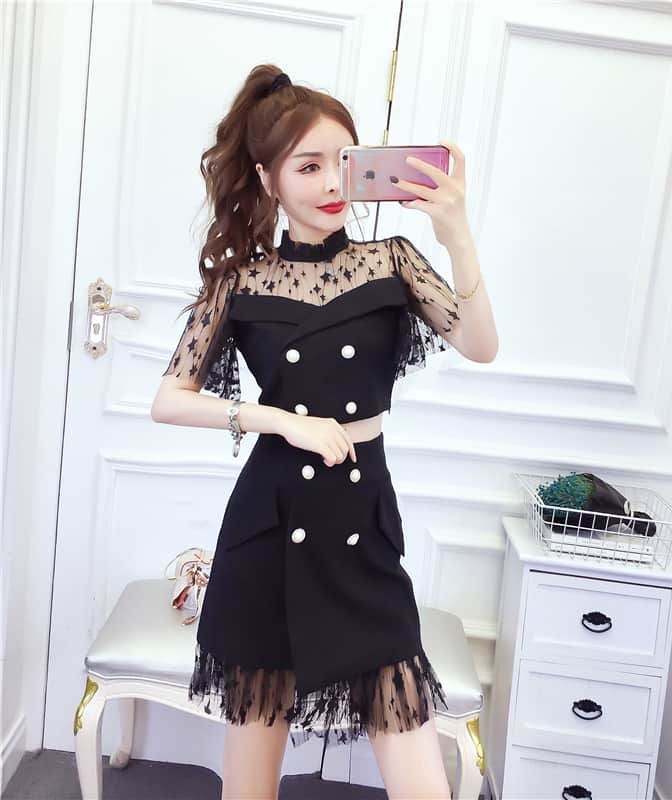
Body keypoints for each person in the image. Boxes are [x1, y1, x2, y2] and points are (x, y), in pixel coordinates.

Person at [150, 64, 498, 800]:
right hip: (268, 533)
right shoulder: (240, 282)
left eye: (344, 161)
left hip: (361, 526)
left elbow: (480, 344)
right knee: (250, 784)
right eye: (307, 166)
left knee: (419, 773)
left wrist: (456, 234)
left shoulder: (393, 261)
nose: (332, 182)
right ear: (268, 179)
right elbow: (169, 400)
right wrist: (280, 421)